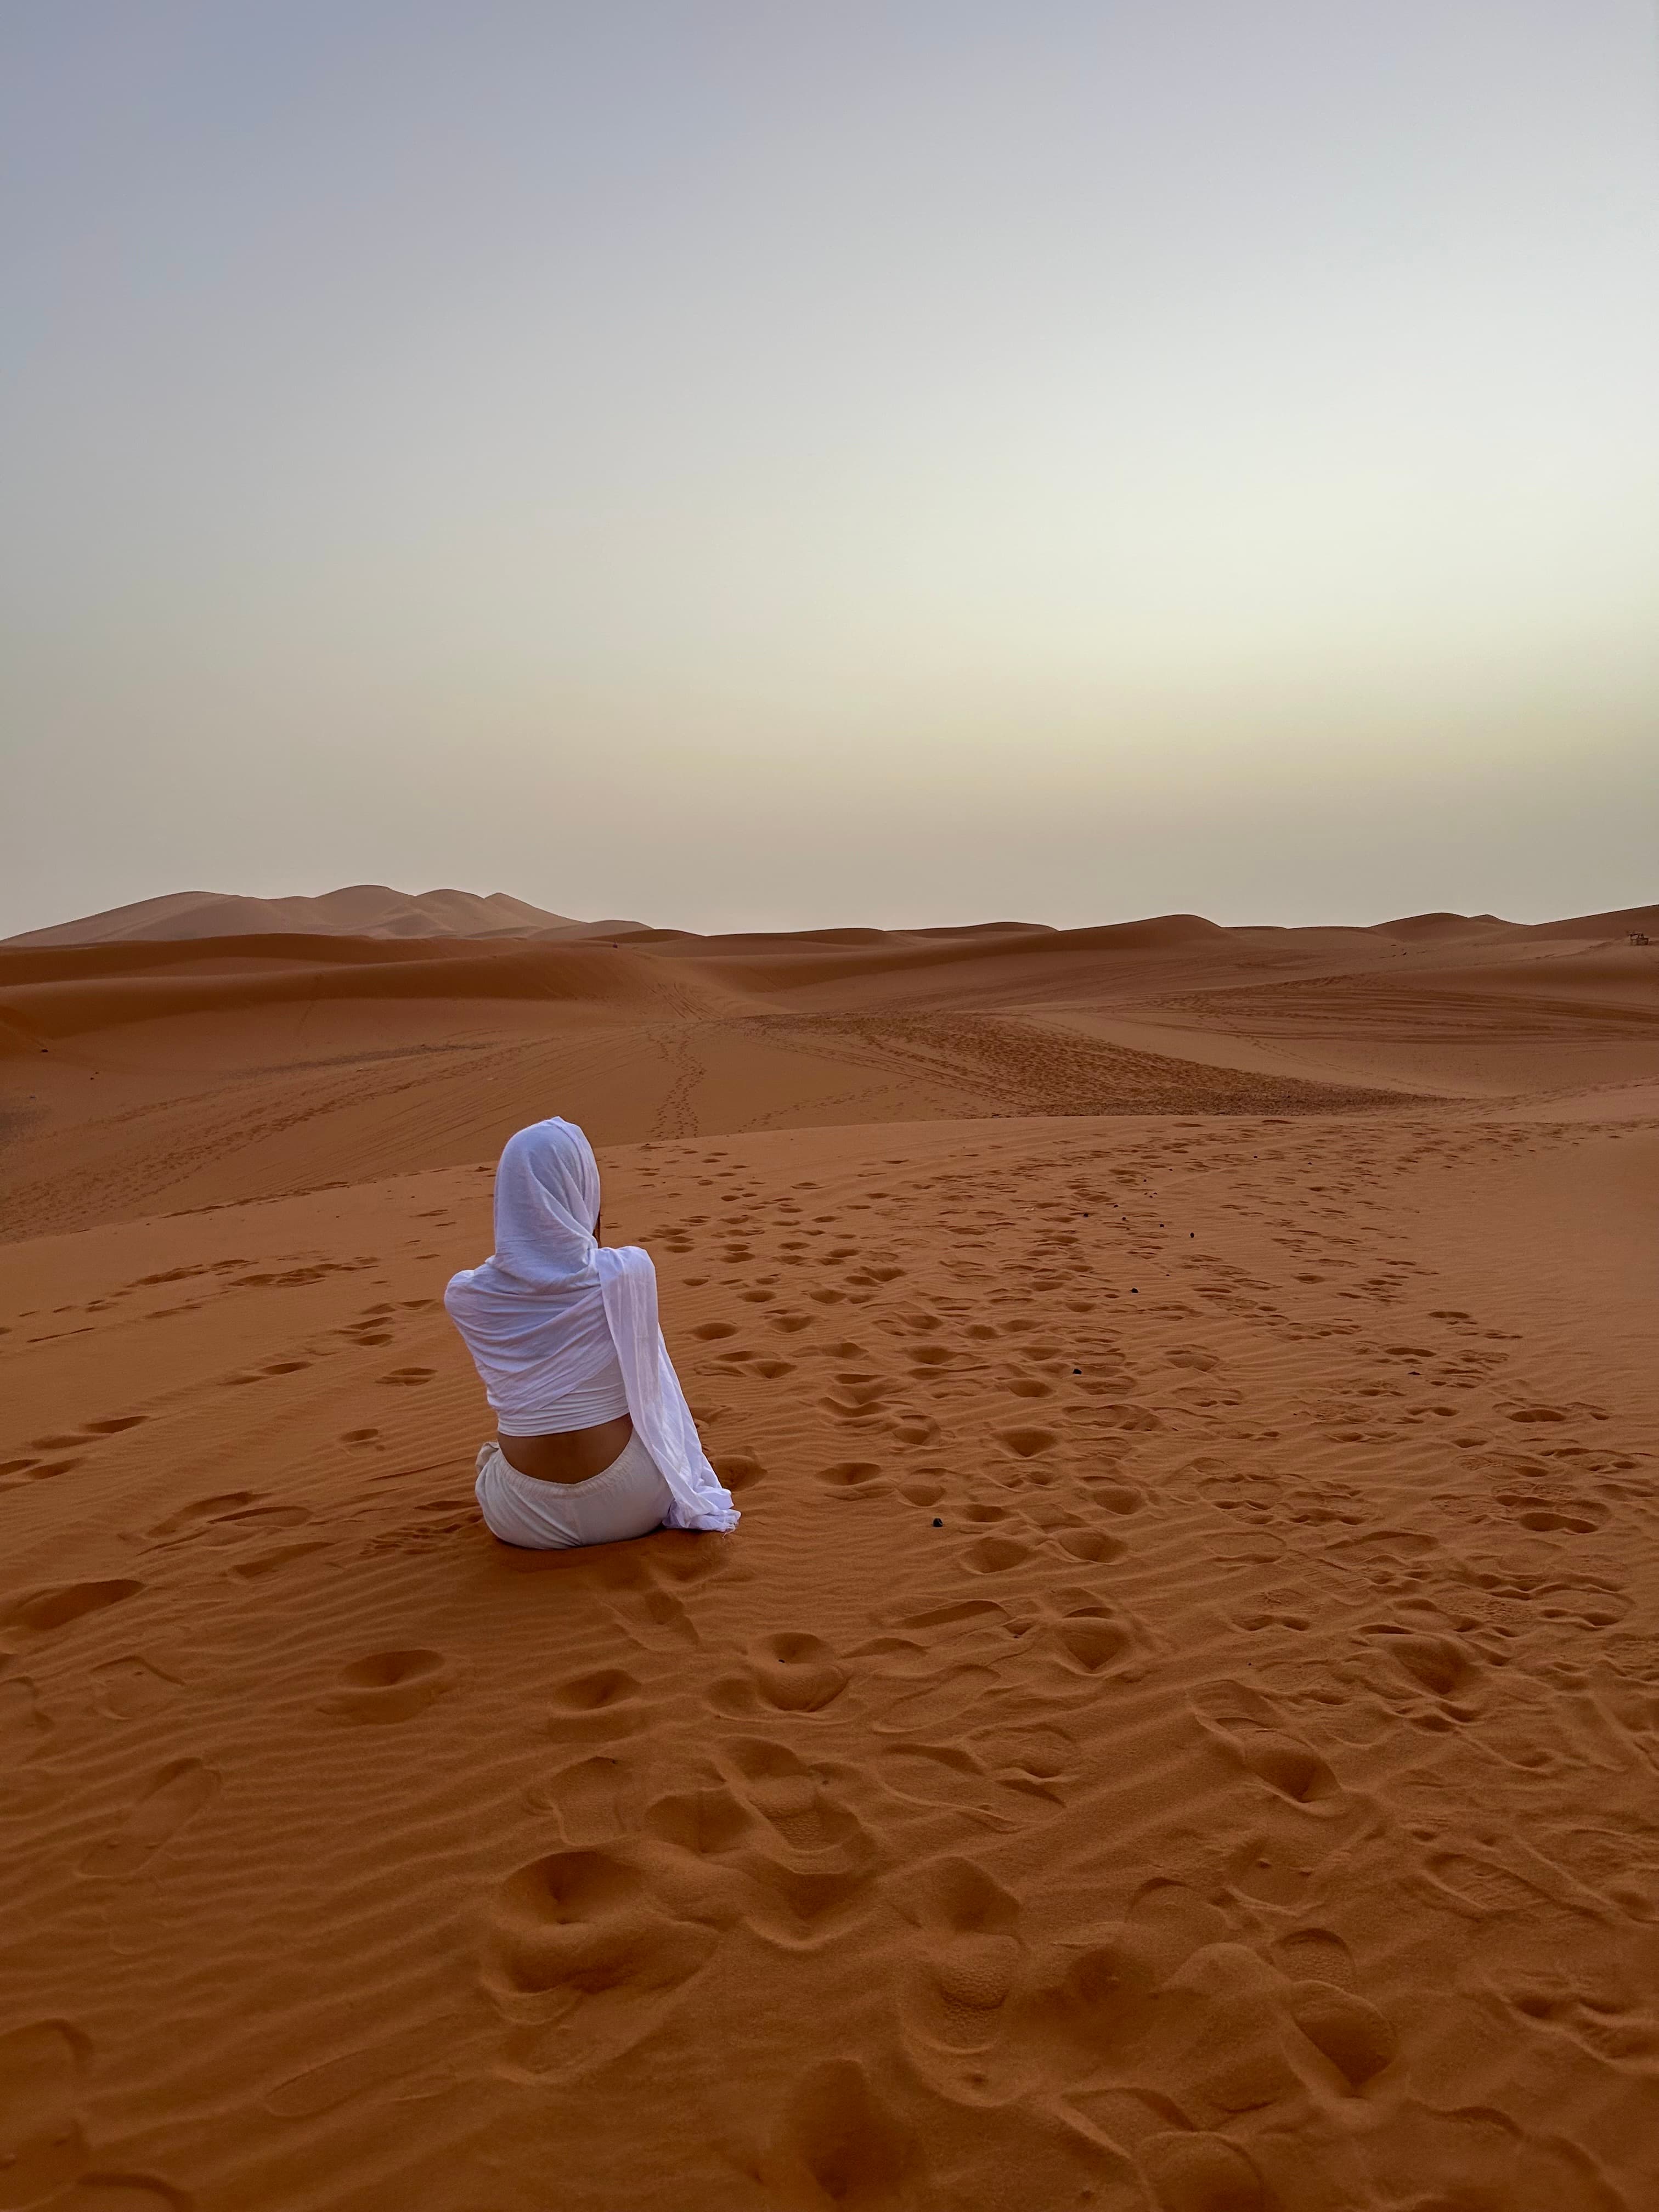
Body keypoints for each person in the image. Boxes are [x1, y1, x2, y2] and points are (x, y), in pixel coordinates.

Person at [444, 1117, 740, 1550]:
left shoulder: (466, 1294)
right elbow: (652, 1394)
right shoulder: (625, 1272)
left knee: (490, 1458)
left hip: (521, 1517)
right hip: (632, 1504)